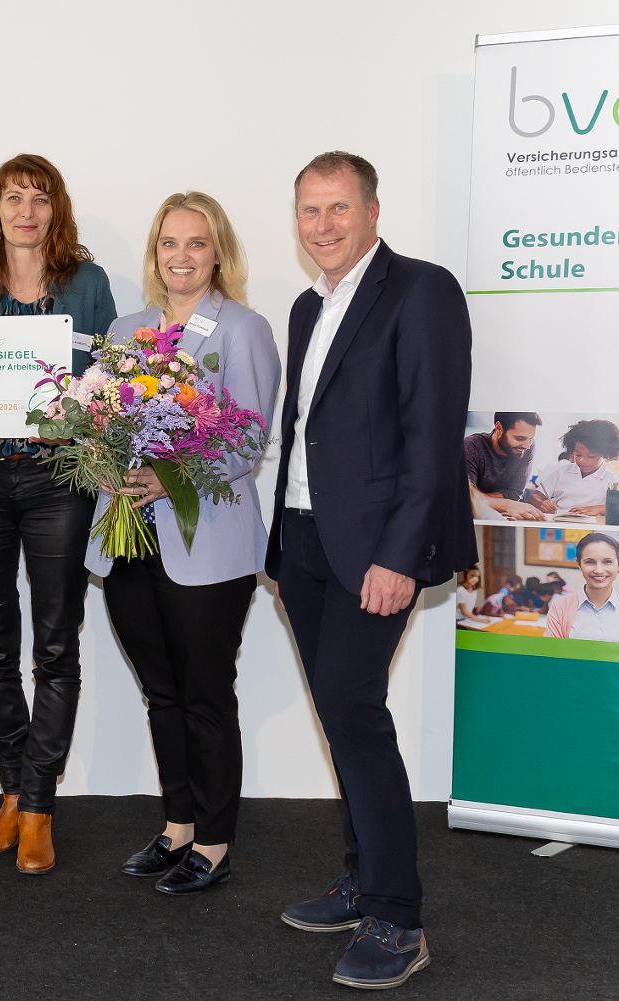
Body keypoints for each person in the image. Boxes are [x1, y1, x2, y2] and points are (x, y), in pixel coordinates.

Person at [266, 152, 476, 990]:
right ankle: (359, 879)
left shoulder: (421, 290)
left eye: (338, 208)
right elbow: (304, 429)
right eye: (308, 210)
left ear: (372, 211)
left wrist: (397, 555)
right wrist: (280, 546)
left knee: (352, 710)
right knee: (338, 711)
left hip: (375, 549)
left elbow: (431, 437)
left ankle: (397, 916)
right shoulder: (304, 306)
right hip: (304, 540)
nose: (321, 225)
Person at [88, 192, 281, 894]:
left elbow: (250, 437)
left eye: (196, 243)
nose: (181, 256)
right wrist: (100, 458)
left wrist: (169, 478)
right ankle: (176, 826)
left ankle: (214, 840)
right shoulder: (128, 329)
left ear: (218, 252)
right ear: (154, 252)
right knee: (160, 693)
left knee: (204, 694)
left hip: (209, 544)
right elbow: (99, 419)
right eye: (169, 242)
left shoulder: (243, 329)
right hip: (128, 538)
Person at [0, 153, 116, 874]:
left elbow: (110, 377)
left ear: (56, 210)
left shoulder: (88, 282)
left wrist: (84, 411)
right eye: (13, 197)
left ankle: (40, 803)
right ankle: (11, 790)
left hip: (58, 481)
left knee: (54, 644)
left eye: (39, 198)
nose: (26, 211)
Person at [525, 420, 619, 517]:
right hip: (559, 522)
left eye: (591, 456)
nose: (582, 460)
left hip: (592, 525)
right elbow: (536, 496)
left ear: (605, 455)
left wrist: (600, 509)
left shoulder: (612, 480)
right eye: (577, 454)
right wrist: (541, 503)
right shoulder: (561, 472)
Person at [464, 412, 543, 521]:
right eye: (520, 438)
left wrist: (480, 498)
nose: (527, 446)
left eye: (531, 438)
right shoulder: (471, 446)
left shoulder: (528, 448)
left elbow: (515, 493)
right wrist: (507, 504)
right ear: (499, 428)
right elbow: (464, 498)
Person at [544, 533, 618, 640]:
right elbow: (553, 648)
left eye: (608, 562)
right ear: (579, 565)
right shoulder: (560, 607)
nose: (599, 570)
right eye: (590, 562)